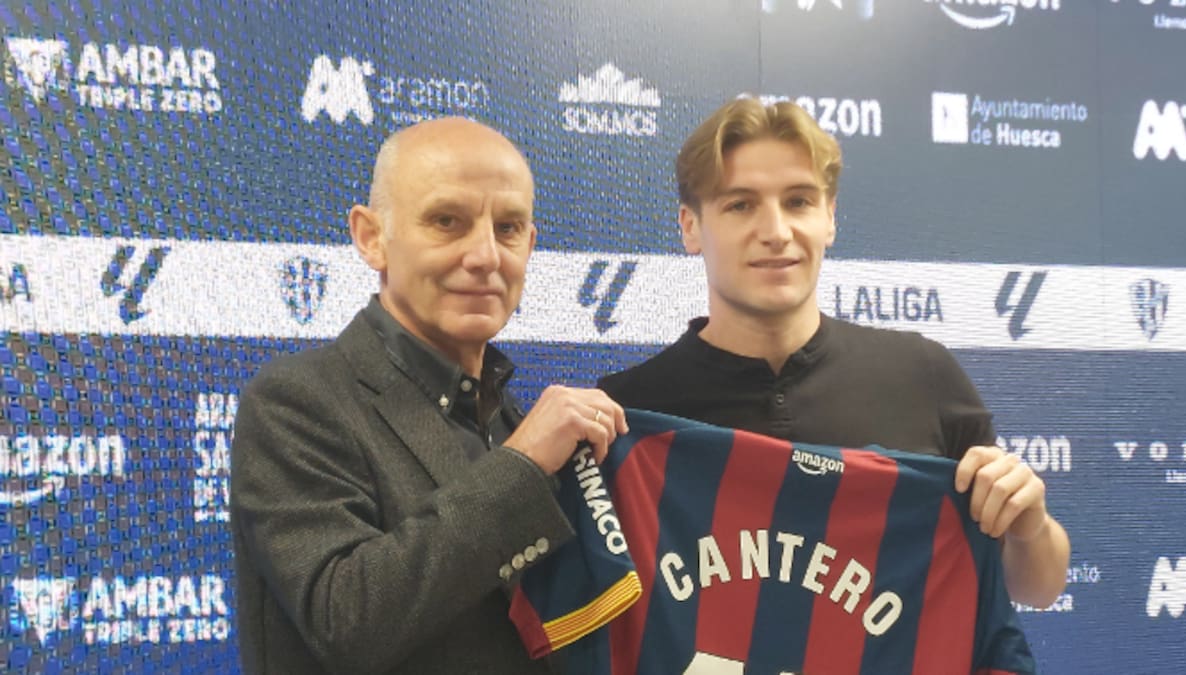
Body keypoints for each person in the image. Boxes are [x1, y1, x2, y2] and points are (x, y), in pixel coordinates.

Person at [598, 97, 1069, 609]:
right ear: (691, 227)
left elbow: (1037, 589)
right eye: (741, 205)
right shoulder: (625, 416)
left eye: (798, 201)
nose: (776, 232)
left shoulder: (923, 376)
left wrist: (1030, 528)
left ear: (830, 218)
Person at [231, 117, 626, 674]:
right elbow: (346, 621)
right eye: (447, 221)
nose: (486, 256)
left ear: (530, 245)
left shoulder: (509, 419)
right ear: (371, 237)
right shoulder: (295, 402)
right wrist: (522, 466)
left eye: (508, 228)